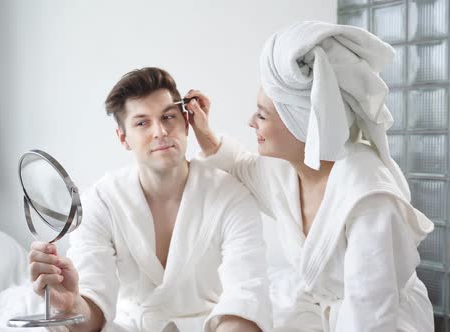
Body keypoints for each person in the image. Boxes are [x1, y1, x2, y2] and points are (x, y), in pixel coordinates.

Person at [185, 21, 435, 332]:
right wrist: (204, 134)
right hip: (322, 315)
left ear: (303, 125)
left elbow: (370, 316)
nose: (251, 122)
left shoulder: (369, 198)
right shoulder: (285, 170)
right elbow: (238, 168)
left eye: (262, 115)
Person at [28, 67, 272, 332]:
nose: (160, 131)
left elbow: (246, 296)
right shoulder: (101, 201)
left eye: (168, 117)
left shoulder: (230, 195)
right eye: (142, 123)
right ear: (124, 139)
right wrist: (71, 306)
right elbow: (92, 310)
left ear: (187, 123)